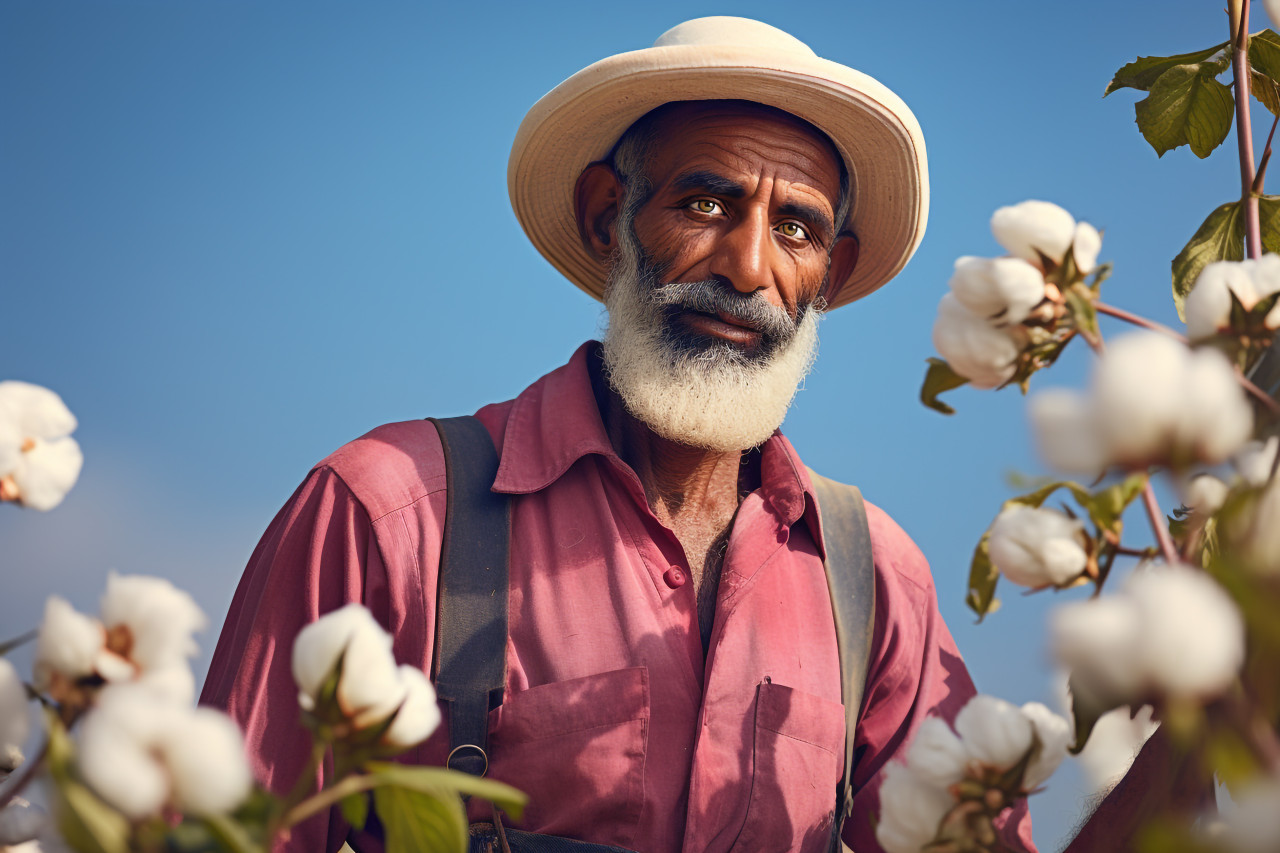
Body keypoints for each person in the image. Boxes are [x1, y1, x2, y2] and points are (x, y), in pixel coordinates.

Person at [201, 16, 1042, 853]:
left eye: (796, 229)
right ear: (609, 215)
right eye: (705, 203)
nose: (748, 267)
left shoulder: (874, 583)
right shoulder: (389, 511)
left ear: (832, 274)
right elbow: (224, 835)